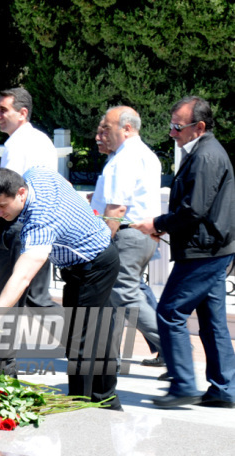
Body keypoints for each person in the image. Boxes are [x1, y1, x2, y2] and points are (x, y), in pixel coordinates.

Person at [0, 166, 122, 410]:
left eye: (3, 205)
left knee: (79, 343)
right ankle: (107, 401)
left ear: (21, 193)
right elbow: (66, 184)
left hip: (93, 266)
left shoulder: (40, 222)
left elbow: (23, 276)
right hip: (94, 259)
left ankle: (80, 410)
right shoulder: (37, 174)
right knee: (97, 337)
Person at [132, 96, 235, 408]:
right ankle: (224, 389)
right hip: (211, 248)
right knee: (213, 321)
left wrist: (158, 223)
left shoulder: (206, 156)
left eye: (178, 126)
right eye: (171, 125)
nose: (172, 132)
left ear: (199, 127)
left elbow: (194, 210)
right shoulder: (202, 152)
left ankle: (184, 385)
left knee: (169, 312)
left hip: (205, 251)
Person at [91, 106, 164, 368]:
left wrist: (100, 244)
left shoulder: (124, 158)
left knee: (124, 294)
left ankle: (173, 346)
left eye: (107, 129)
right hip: (139, 235)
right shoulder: (143, 154)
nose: (102, 134)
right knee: (118, 295)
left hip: (127, 235)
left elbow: (117, 208)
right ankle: (108, 357)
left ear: (127, 128)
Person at [0, 87, 58, 308]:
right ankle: (82, 337)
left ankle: (83, 336)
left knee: (7, 296)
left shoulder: (17, 144)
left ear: (23, 113)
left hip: (16, 226)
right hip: (40, 225)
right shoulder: (42, 140)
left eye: (3, 110)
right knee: (36, 299)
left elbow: (5, 191)